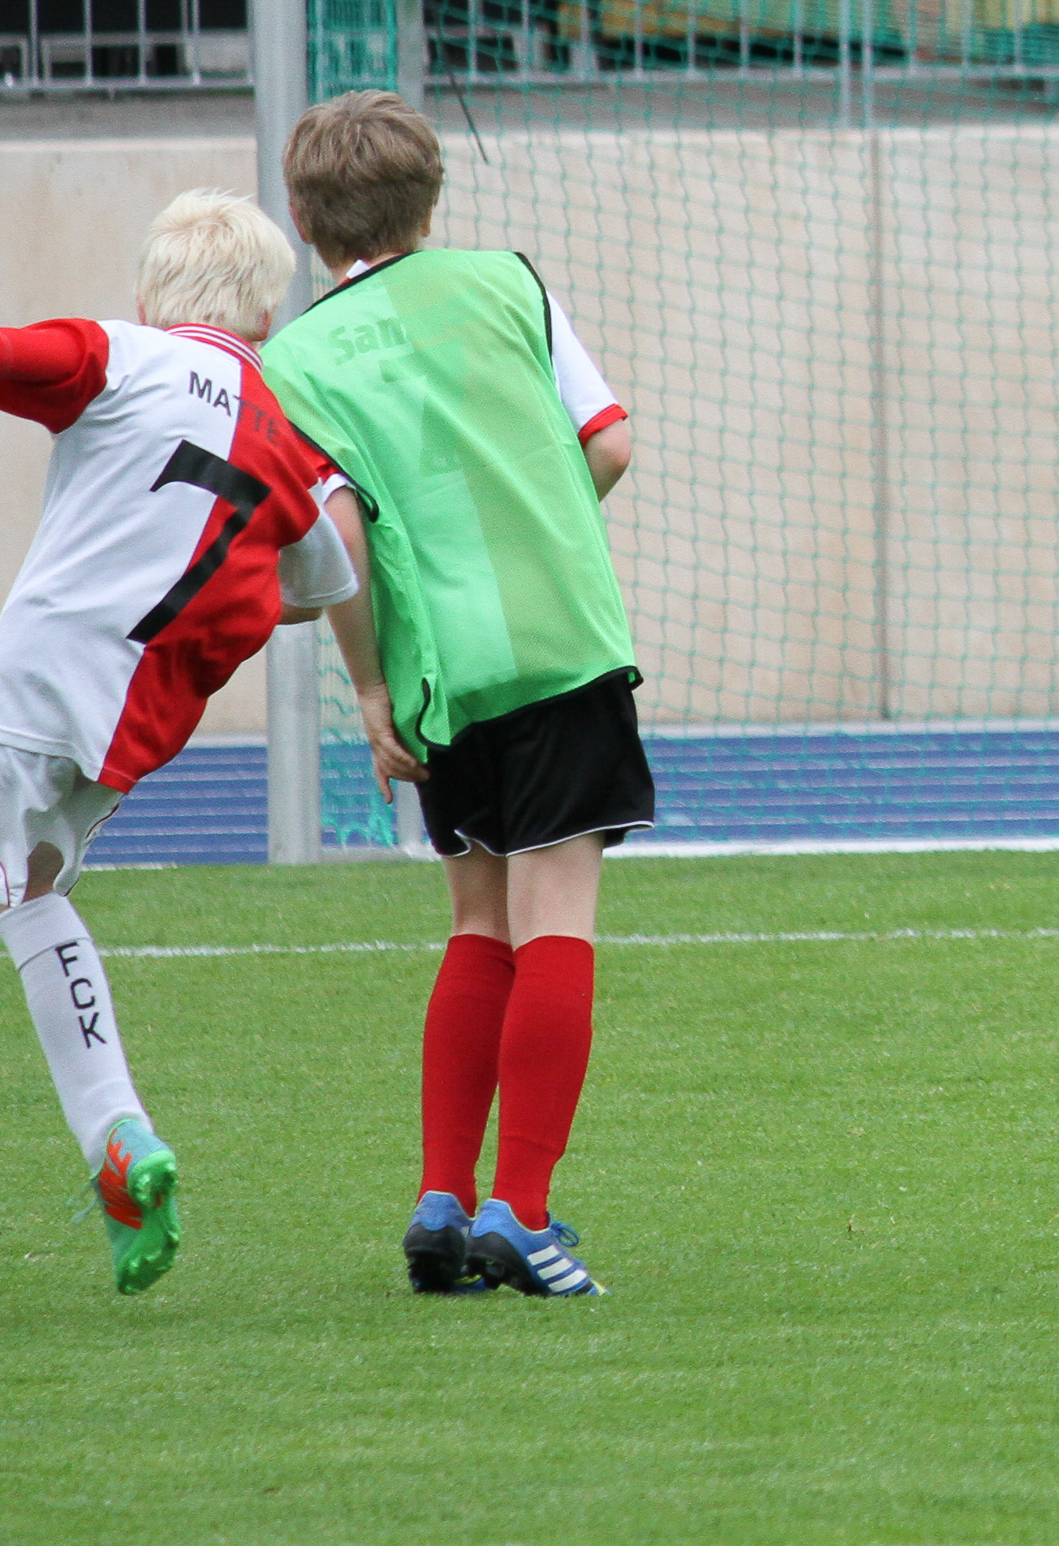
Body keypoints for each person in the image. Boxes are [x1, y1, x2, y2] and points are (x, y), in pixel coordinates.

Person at [0, 191, 373, 1334]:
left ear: (150, 294)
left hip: (32, 689)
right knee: (32, 892)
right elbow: (324, 580)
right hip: (133, 726)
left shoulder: (124, 355)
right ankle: (115, 1131)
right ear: (265, 314)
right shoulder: (281, 434)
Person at [261, 90, 645, 1302]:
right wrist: (540, 533)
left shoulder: (293, 360)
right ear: (431, 200)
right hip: (557, 644)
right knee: (557, 918)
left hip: (438, 673)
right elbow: (609, 442)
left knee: (480, 922)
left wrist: (371, 687)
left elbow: (339, 539)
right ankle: (519, 1213)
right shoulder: (509, 283)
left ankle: (442, 1200)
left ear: (305, 221)